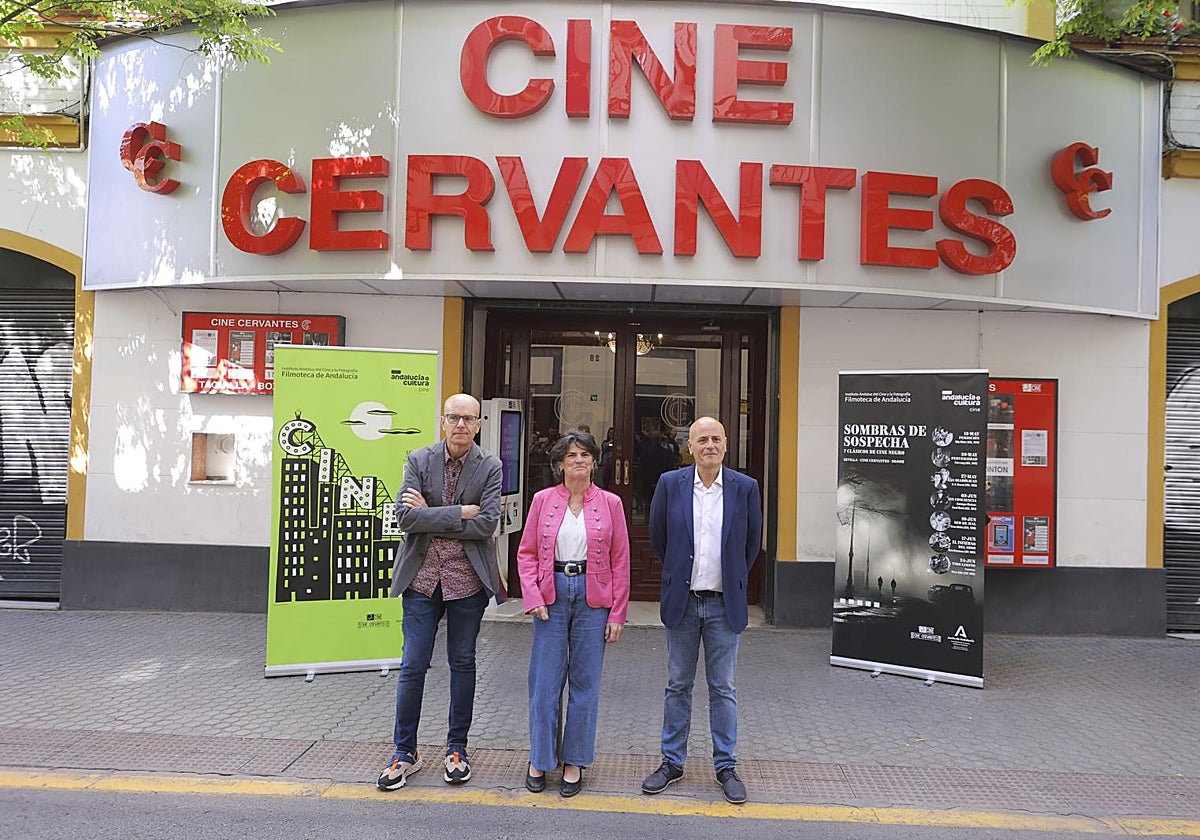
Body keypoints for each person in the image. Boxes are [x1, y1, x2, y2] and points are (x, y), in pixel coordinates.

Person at [377, 394, 503, 791]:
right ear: (443, 421)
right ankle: (404, 752)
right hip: (421, 579)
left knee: (462, 663)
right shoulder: (419, 459)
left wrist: (431, 515)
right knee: (413, 665)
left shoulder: (491, 466)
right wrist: (460, 512)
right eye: (454, 417)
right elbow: (405, 517)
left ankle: (457, 748)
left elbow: (487, 525)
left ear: (479, 424)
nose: (461, 424)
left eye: (468, 418)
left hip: (467, 580)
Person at [641, 416, 762, 805]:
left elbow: (751, 543)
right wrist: (679, 573)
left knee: (723, 688)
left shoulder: (745, 488)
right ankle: (672, 762)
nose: (709, 445)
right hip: (684, 601)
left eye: (716, 439)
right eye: (701, 440)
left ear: (726, 445)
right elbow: (658, 537)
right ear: (688, 446)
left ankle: (726, 765)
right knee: (677, 685)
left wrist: (732, 579)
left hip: (725, 605)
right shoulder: (670, 484)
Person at [516, 429, 630, 798]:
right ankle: (540, 758)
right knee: (545, 682)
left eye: (585, 454)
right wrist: (532, 595)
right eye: (571, 456)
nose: (579, 460)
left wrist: (617, 614)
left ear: (594, 461)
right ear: (559, 464)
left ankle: (574, 760)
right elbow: (527, 553)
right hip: (551, 595)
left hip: (593, 596)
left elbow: (621, 561)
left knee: (585, 683)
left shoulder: (611, 503)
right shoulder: (542, 500)